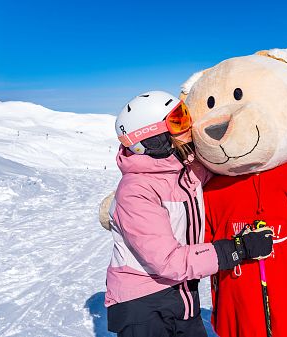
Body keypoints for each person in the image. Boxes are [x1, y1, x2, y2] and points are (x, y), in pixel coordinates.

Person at [103, 91, 274, 337]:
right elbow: (169, 262)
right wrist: (238, 248)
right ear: (154, 139)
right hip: (143, 305)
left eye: (184, 114)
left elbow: (224, 174)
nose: (189, 125)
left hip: (182, 292)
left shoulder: (186, 170)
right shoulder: (136, 192)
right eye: (178, 120)